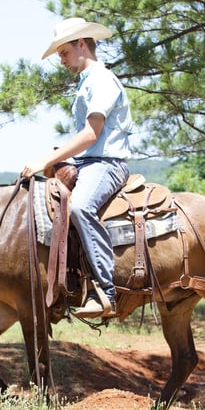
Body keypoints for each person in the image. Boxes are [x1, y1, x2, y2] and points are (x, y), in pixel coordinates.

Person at [21, 17, 134, 319]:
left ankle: (106, 292)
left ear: (82, 44)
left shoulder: (101, 80)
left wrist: (44, 160)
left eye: (64, 52)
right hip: (88, 163)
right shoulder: (87, 82)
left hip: (106, 164)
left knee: (80, 207)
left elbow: (91, 134)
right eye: (59, 54)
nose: (61, 60)